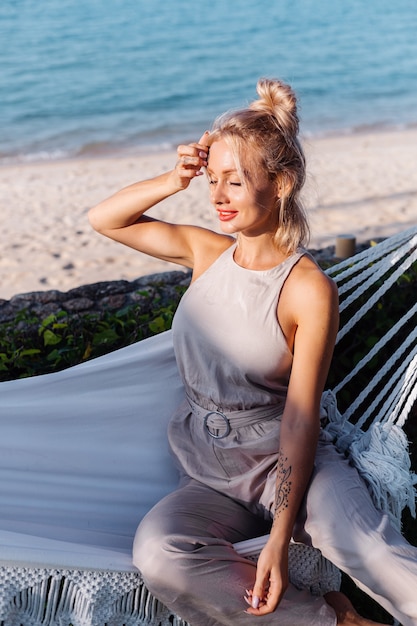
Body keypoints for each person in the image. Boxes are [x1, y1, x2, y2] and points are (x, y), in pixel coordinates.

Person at [88, 78, 417, 626]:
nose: (217, 197)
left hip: (291, 465)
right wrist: (175, 178)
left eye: (235, 182)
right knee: (160, 553)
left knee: (374, 553)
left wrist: (280, 540)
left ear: (282, 182)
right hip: (208, 471)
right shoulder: (205, 251)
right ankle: (335, 620)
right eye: (212, 181)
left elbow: (300, 419)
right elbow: (106, 220)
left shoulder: (307, 288)